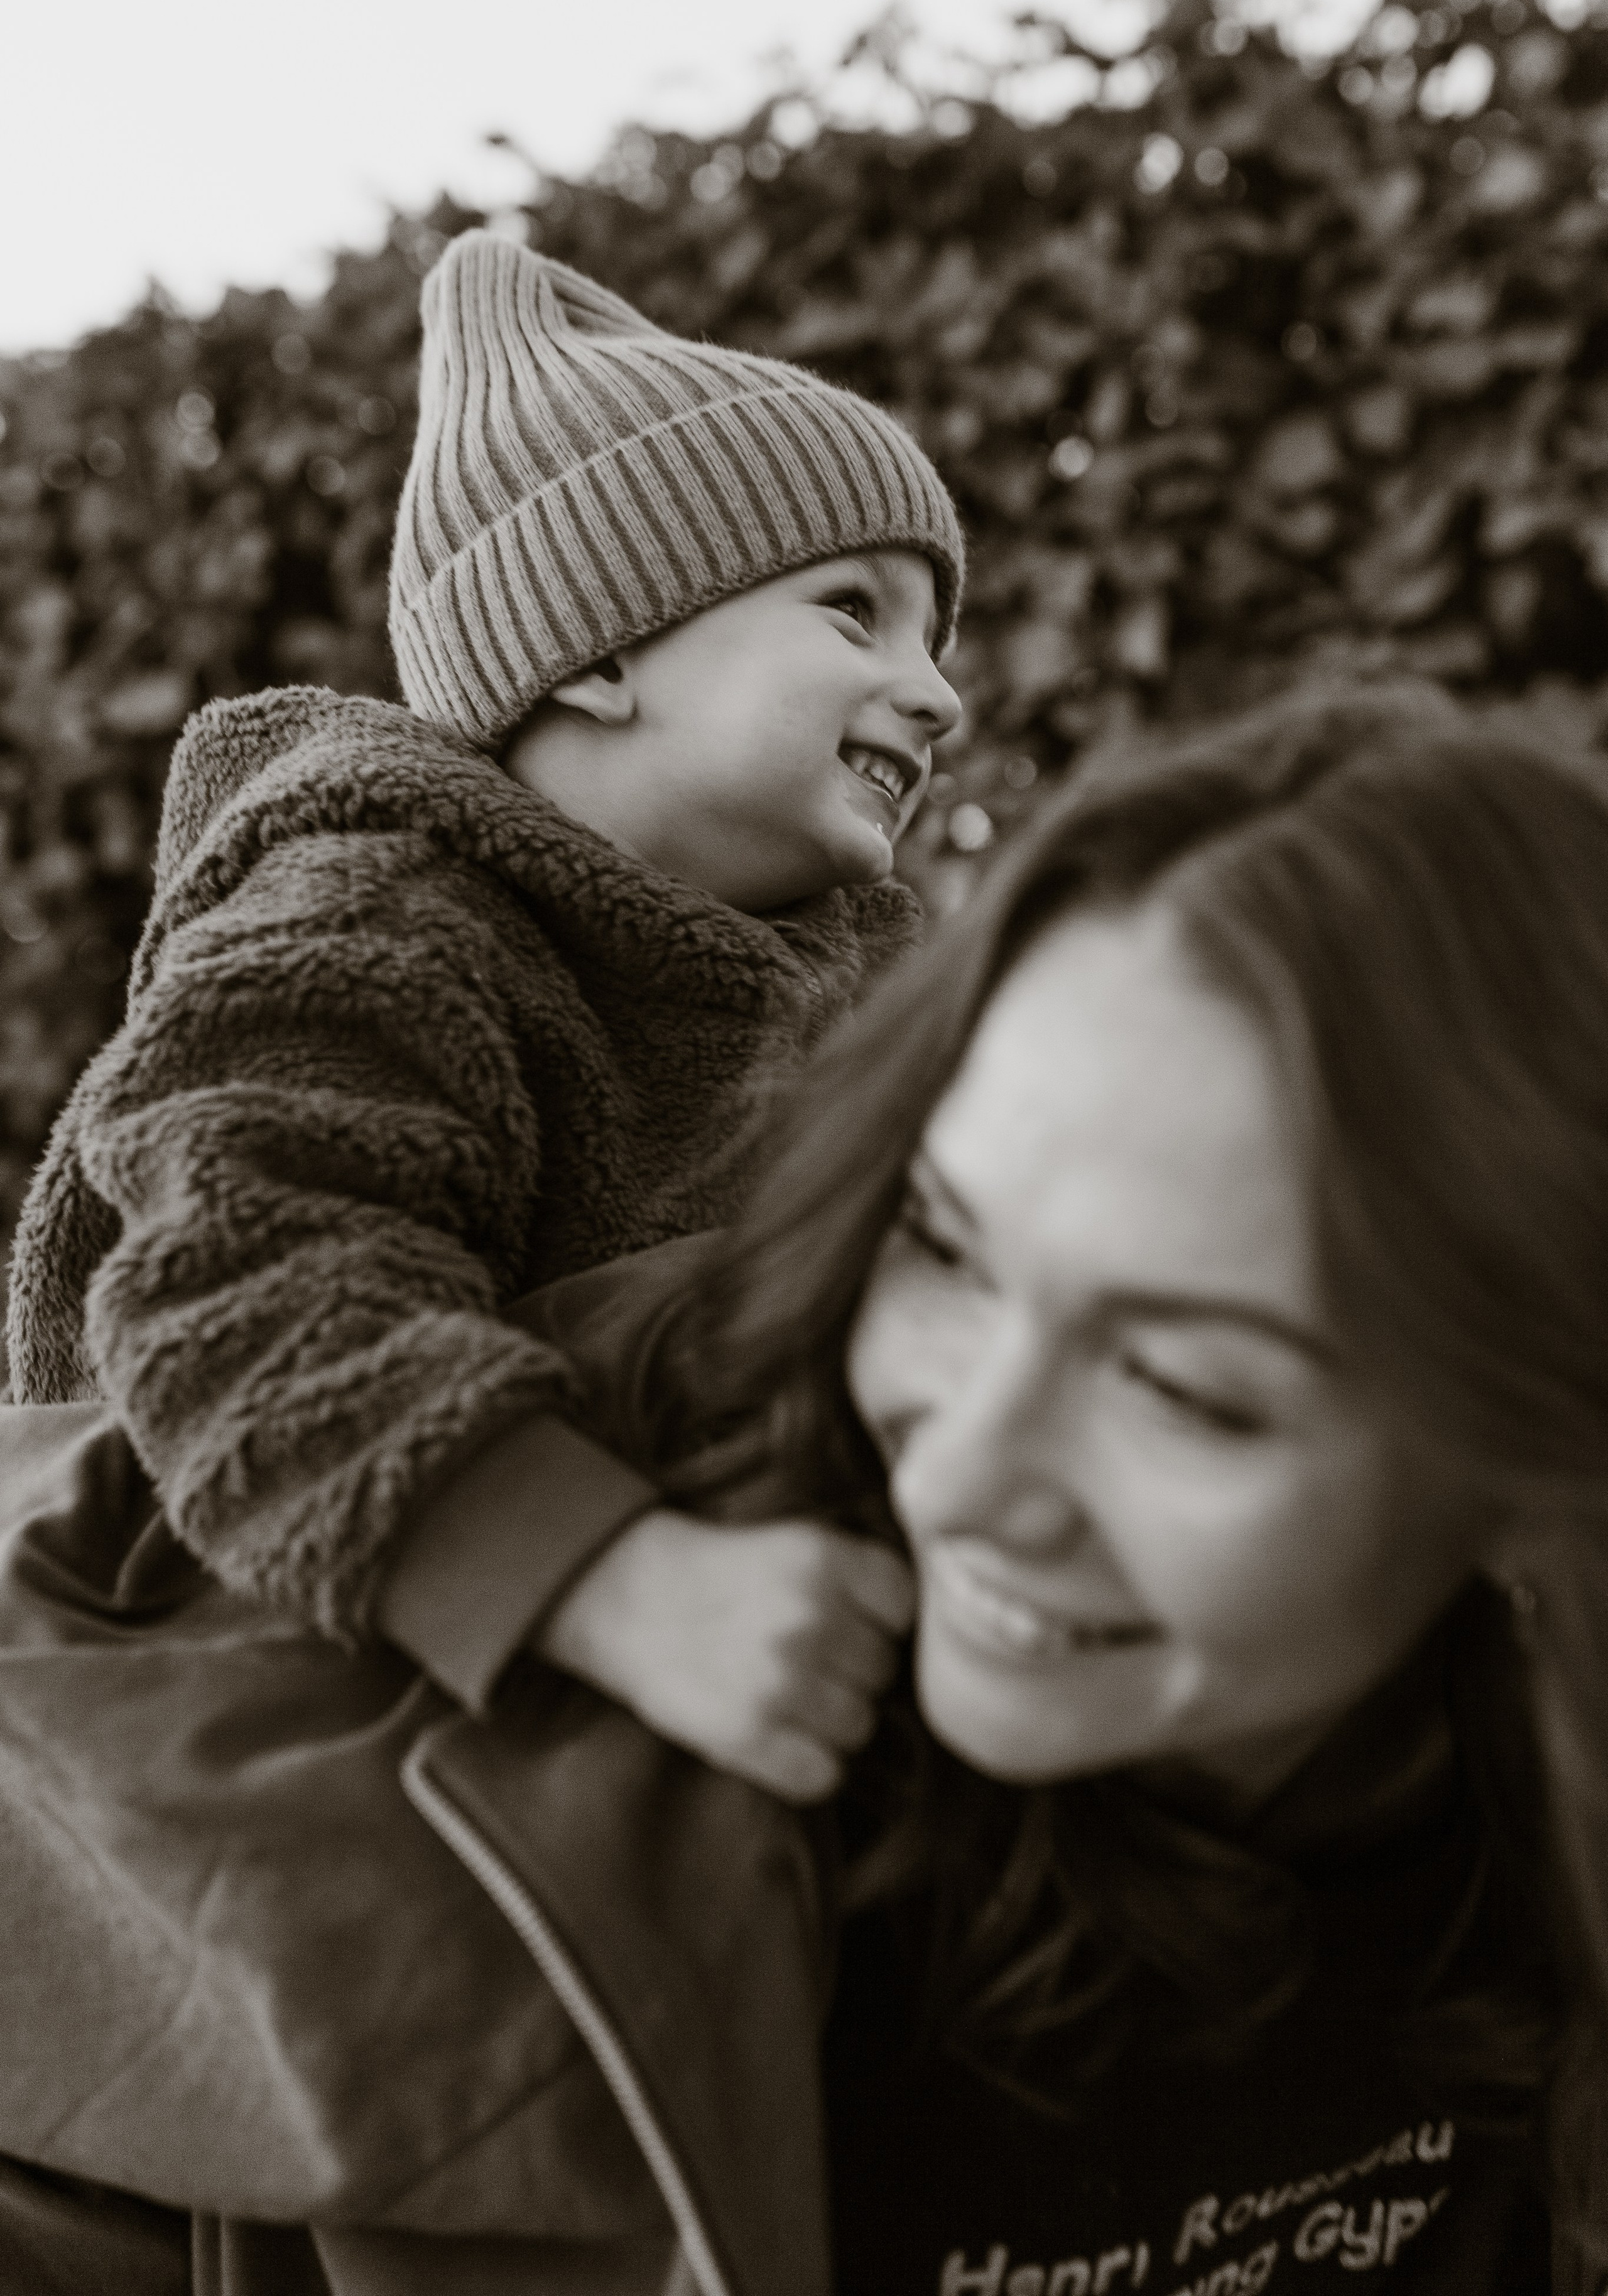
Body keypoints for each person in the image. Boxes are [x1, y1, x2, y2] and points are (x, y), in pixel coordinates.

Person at [506, 682, 1605, 2293]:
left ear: (1539, 1465)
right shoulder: (590, 1667)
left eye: (1177, 1386)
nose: (955, 1476)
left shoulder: (1530, 1830)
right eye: (944, 1246)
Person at [2, 225, 960, 1797]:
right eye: (855, 613)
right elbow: (245, 1285)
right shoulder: (380, 912)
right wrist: (611, 1583)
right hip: (281, 1718)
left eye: (936, 637)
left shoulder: (850, 983)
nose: (939, 693)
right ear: (597, 652)